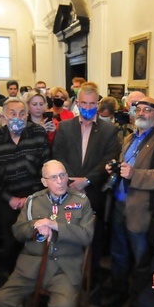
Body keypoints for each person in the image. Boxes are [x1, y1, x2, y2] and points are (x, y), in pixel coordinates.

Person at [0, 160, 94, 307]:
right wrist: (35, 227)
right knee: (2, 300)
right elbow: (17, 231)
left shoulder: (81, 201)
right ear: (43, 181)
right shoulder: (32, 201)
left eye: (63, 175)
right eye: (54, 177)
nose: (60, 181)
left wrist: (57, 226)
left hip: (65, 266)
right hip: (33, 263)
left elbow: (87, 235)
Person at [103, 97, 154, 307]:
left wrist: (134, 174)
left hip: (142, 212)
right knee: (118, 254)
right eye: (138, 109)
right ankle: (119, 293)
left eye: (147, 110)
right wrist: (114, 168)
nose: (141, 113)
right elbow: (124, 166)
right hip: (118, 205)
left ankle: (137, 305)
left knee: (141, 261)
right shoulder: (128, 139)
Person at [53, 84, 122, 277]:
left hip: (94, 191)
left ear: (98, 104)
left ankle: (91, 273)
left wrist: (87, 180)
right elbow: (58, 154)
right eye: (84, 102)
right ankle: (65, 272)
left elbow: (109, 159)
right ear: (77, 102)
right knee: (67, 230)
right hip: (66, 188)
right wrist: (70, 180)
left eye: (92, 103)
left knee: (94, 234)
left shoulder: (109, 130)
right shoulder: (65, 127)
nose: (88, 106)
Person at [0, 97, 50, 272]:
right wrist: (10, 199)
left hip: (34, 196)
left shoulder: (37, 133)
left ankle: (33, 276)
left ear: (27, 115)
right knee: (10, 240)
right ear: (3, 116)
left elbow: (45, 168)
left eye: (22, 114)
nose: (17, 118)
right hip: (6, 198)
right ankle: (12, 275)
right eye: (12, 113)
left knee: (34, 239)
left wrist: (31, 198)